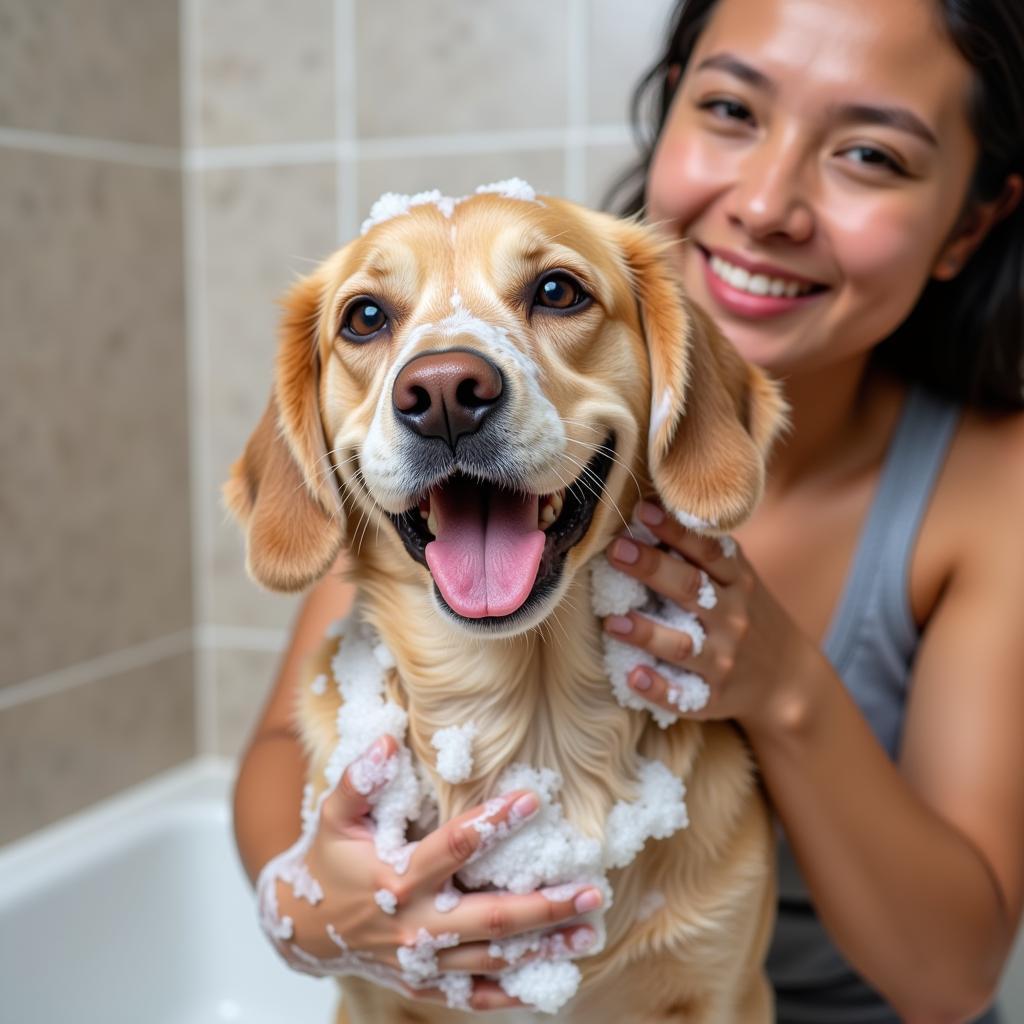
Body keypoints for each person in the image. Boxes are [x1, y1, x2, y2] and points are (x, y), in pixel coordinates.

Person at [232, 0, 1024, 1018]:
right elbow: (275, 760)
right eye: (732, 108)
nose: (768, 203)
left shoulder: (987, 484)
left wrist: (784, 687)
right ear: (669, 108)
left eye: (869, 154)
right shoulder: (450, 485)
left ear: (969, 220)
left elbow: (952, 979)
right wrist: (305, 903)